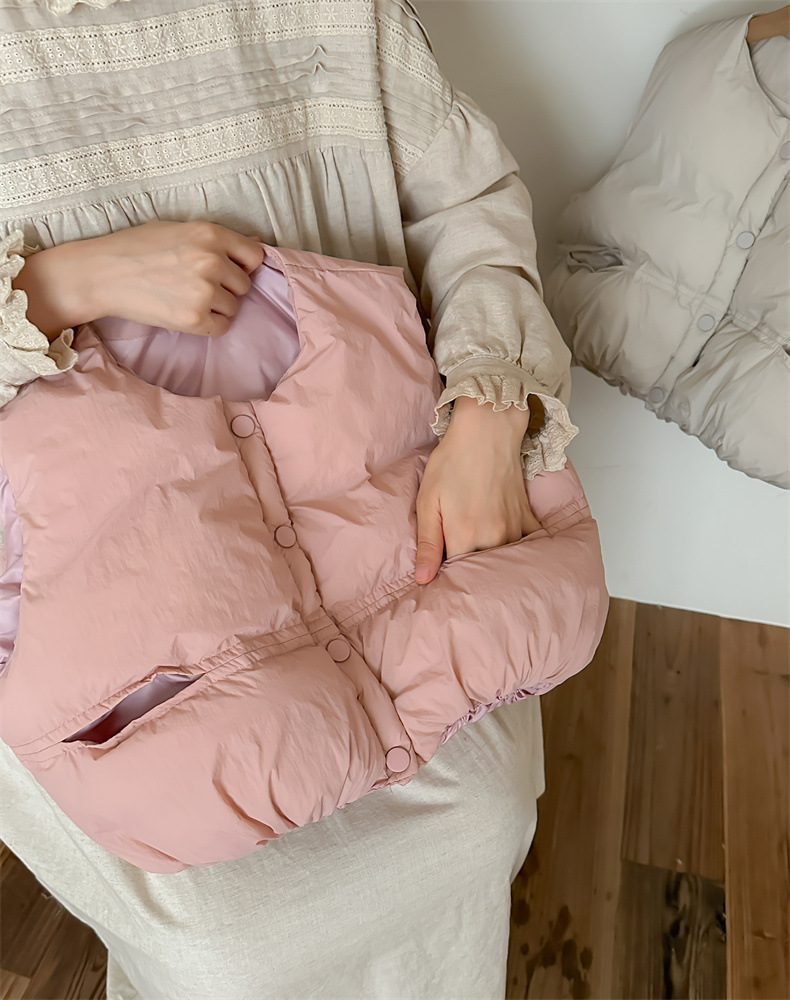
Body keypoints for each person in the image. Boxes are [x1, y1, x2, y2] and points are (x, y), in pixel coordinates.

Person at [0, 0, 576, 995]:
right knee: (230, 948)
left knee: (480, 827)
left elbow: (467, 204)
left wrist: (493, 404)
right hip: (103, 609)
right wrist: (56, 286)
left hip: (395, 527)